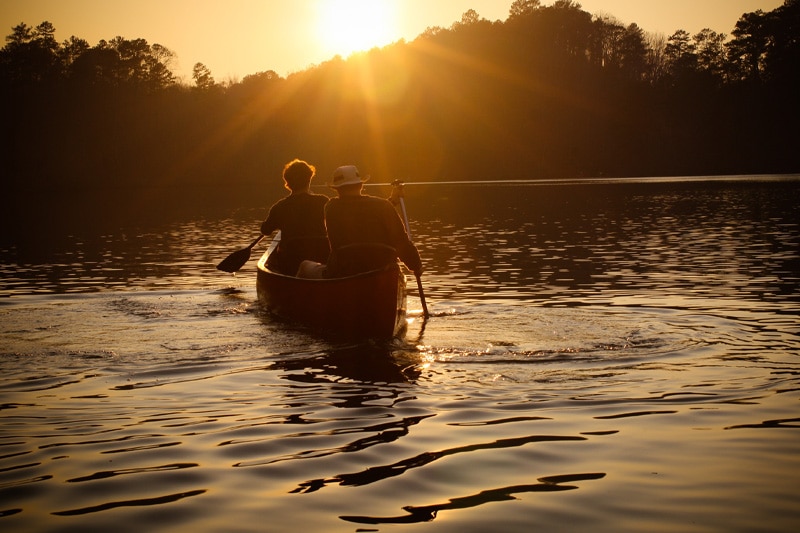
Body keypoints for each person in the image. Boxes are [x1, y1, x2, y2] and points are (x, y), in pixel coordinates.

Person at [297, 165, 422, 278]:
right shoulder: (384, 206)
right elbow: (401, 241)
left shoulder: (331, 207)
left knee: (304, 266)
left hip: (343, 272)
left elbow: (359, 212)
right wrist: (415, 265)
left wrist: (392, 201)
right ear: (361, 185)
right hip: (381, 270)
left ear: (336, 189)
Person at [260, 159, 329, 275]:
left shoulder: (279, 207)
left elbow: (265, 231)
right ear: (309, 179)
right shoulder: (324, 202)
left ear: (287, 182)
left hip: (290, 262)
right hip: (321, 258)